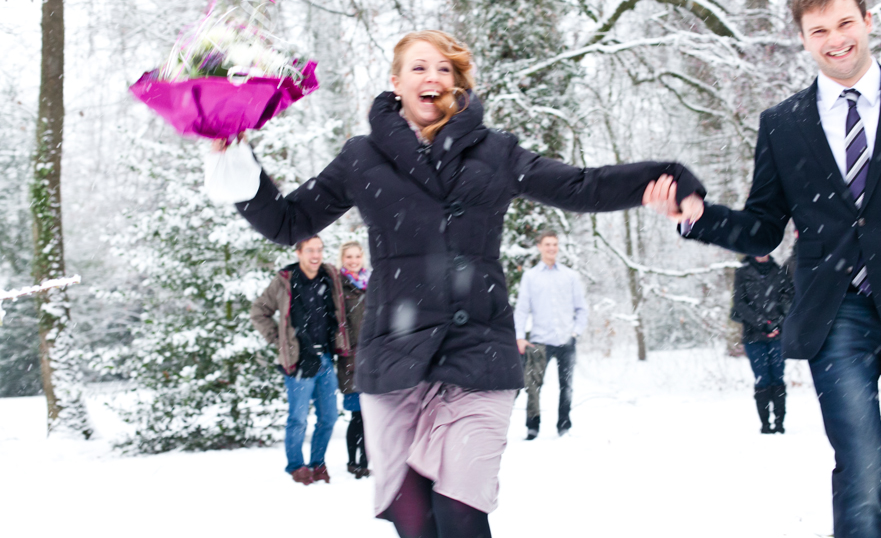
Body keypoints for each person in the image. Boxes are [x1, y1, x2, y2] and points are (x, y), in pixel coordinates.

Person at [207, 29, 704, 538]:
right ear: (396, 82)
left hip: (477, 355)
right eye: (419, 67)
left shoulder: (496, 153)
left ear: (457, 84)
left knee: (460, 513)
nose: (433, 78)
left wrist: (664, 178)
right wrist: (235, 157)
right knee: (414, 522)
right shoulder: (361, 158)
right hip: (394, 360)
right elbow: (289, 222)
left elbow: (579, 185)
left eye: (445, 69)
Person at [649, 0, 881, 538]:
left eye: (844, 23)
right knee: (860, 465)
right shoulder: (783, 125)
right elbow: (763, 229)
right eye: (819, 30)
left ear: (866, 20)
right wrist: (698, 217)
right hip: (837, 313)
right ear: (804, 39)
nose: (835, 39)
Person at [249, 236, 350, 485]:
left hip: (326, 357)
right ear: (299, 253)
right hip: (297, 361)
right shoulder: (285, 280)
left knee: (329, 418)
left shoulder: (330, 275)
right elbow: (258, 311)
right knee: (298, 419)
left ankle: (318, 463)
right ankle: (296, 466)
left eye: (319, 250)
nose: (316, 255)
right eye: (310, 251)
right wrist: (280, 341)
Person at [514, 230, 586, 439]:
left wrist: (575, 332)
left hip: (566, 341)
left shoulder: (570, 276)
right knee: (533, 387)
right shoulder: (530, 276)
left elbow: (581, 308)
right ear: (539, 247)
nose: (551, 248)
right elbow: (522, 309)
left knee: (566, 387)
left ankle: (564, 426)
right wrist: (520, 337)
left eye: (554, 244)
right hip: (540, 341)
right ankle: (532, 426)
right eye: (547, 244)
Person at [730, 254, 792, 434]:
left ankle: (779, 421)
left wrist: (777, 323)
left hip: (778, 335)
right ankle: (765, 423)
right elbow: (740, 303)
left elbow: (788, 298)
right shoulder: (742, 272)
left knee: (777, 377)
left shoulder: (779, 270)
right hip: (753, 335)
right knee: (762, 378)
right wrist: (762, 324)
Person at [337, 240, 370, 479]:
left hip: (374, 359)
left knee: (372, 415)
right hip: (351, 360)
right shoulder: (339, 286)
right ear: (342, 259)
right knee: (357, 414)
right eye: (348, 257)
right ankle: (353, 461)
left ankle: (366, 461)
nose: (353, 261)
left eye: (356, 256)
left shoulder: (372, 284)